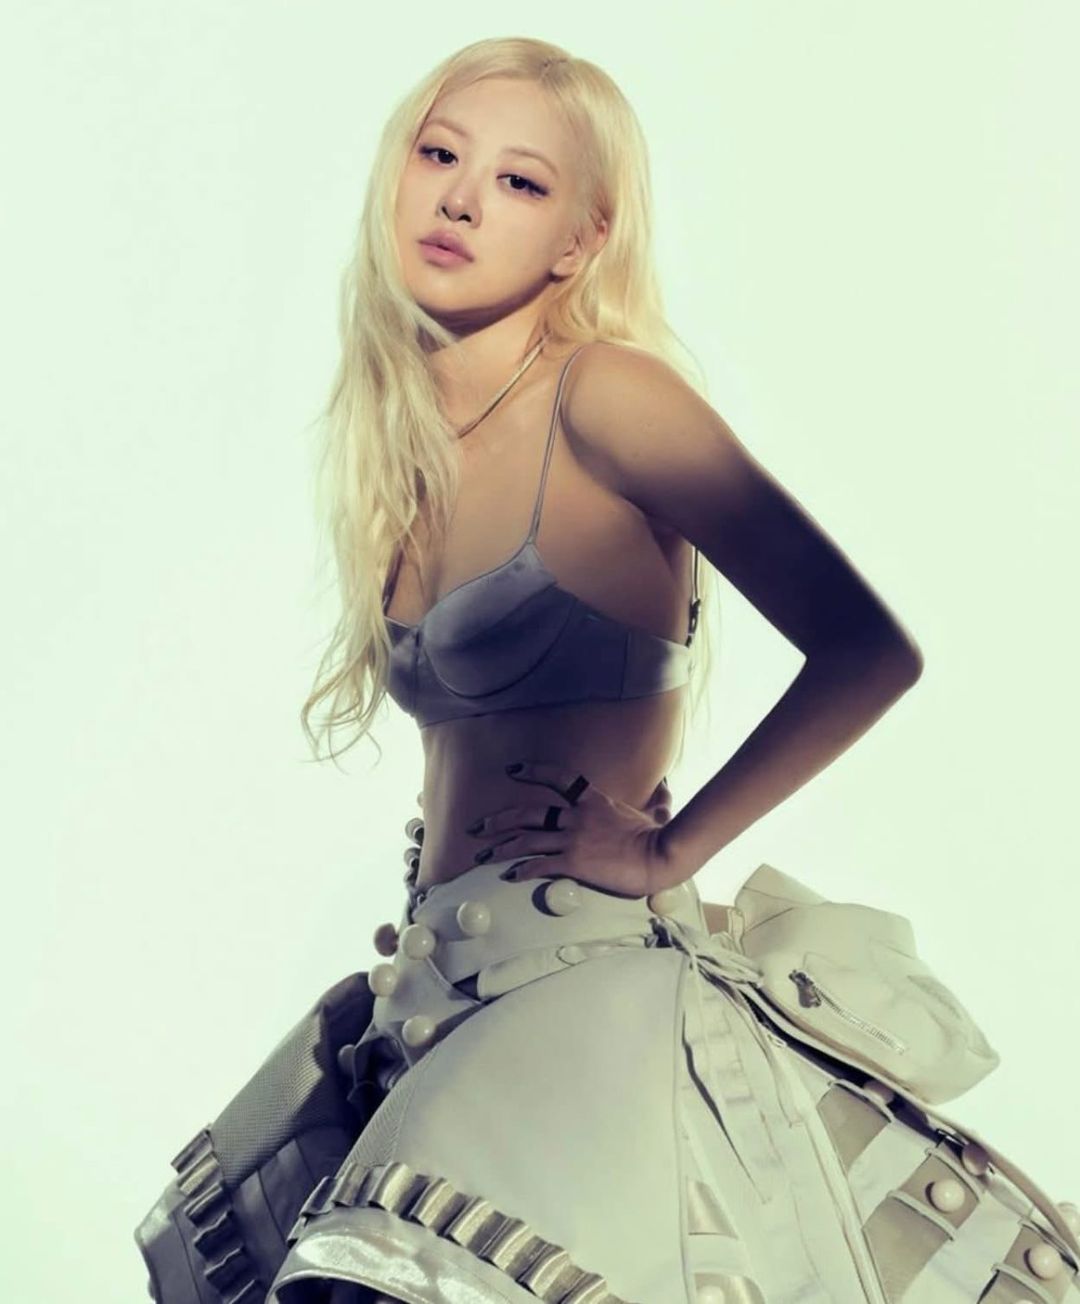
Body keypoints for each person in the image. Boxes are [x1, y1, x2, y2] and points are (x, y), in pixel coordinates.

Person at [264, 36, 1080, 1304]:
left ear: (579, 243)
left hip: (580, 993)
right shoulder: (403, 437)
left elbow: (869, 650)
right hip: (435, 992)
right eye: (439, 154)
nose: (461, 200)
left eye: (520, 182)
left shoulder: (606, 395)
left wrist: (666, 850)